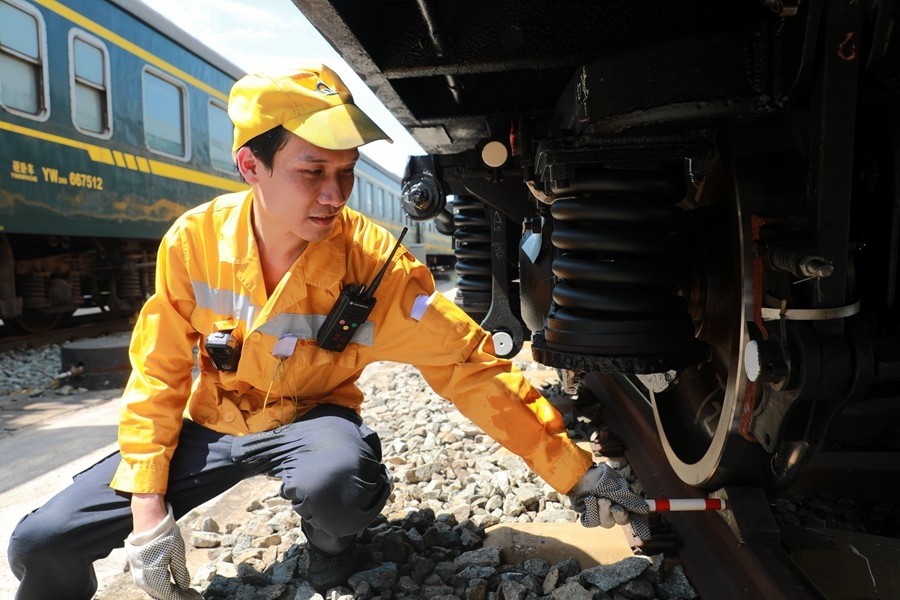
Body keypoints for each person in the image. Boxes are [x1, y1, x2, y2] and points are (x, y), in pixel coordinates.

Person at [7, 64, 649, 600]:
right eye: (311, 172)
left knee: (339, 486)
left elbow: (467, 367)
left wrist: (576, 474)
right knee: (38, 542)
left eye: (345, 172)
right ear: (249, 168)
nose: (335, 193)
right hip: (207, 426)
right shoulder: (193, 244)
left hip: (311, 420)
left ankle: (335, 549)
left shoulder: (375, 269)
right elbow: (158, 374)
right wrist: (148, 510)